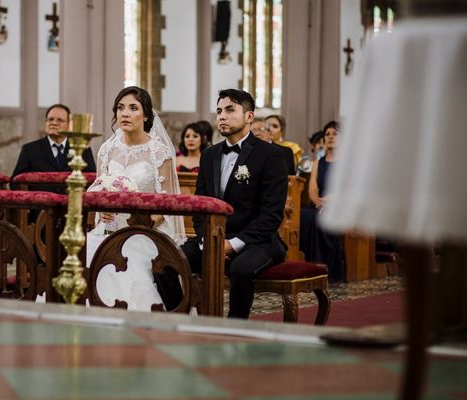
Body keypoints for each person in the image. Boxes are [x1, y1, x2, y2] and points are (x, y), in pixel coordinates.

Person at [156, 89, 288, 318]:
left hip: (257, 241)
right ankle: (183, 319)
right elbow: (200, 205)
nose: (222, 116)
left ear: (249, 117)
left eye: (230, 110)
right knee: (163, 264)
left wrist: (233, 244)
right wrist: (208, 239)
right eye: (218, 111)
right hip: (213, 237)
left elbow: (271, 215)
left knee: (240, 270)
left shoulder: (271, 155)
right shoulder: (210, 155)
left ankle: (234, 331)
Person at [87, 86, 185, 311]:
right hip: (108, 229)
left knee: (131, 263)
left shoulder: (159, 152)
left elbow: (169, 203)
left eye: (133, 108)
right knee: (87, 256)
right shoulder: (106, 149)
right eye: (120, 108)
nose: (125, 113)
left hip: (146, 230)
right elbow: (99, 189)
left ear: (147, 115)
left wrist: (141, 223)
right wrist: (103, 210)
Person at [11, 103, 96, 222]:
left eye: (60, 120)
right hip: (38, 215)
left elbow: (92, 181)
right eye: (50, 119)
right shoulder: (30, 149)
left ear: (69, 125)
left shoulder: (82, 149)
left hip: (74, 213)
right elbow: (15, 181)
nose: (54, 123)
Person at [299, 120, 345, 283]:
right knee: (303, 215)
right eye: (327, 134)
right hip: (320, 205)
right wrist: (318, 201)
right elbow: (312, 189)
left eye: (335, 133)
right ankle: (308, 267)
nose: (330, 136)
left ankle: (326, 270)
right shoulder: (318, 162)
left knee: (322, 218)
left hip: (340, 204)